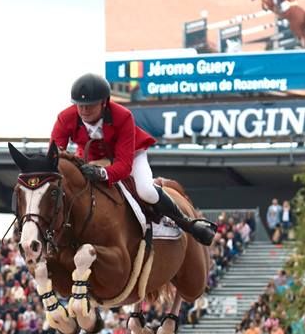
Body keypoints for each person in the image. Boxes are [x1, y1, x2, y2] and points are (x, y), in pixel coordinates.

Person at [51, 73, 215, 246]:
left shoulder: (123, 116)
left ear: (103, 102)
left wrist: (101, 172)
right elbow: (54, 155)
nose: (84, 110)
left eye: (90, 105)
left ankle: (187, 223)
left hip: (130, 155)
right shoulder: (65, 117)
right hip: (90, 157)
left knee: (146, 191)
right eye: (80, 105)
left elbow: (123, 165)